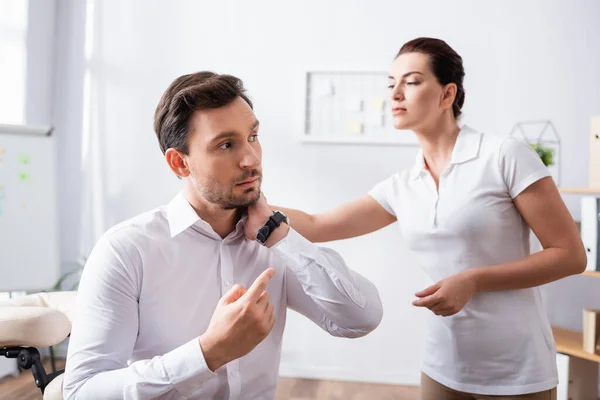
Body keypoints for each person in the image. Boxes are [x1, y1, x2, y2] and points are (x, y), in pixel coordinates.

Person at [274, 38, 586, 399]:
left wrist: (473, 280)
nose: (395, 95)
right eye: (391, 84)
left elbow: (570, 254)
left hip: (518, 368)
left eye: (412, 81)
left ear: (447, 94)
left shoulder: (504, 156)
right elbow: (316, 225)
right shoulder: (402, 186)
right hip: (444, 366)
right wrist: (247, 203)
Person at [62, 72, 383, 400]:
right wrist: (208, 352)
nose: (251, 159)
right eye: (226, 144)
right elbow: (82, 391)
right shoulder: (126, 251)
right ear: (179, 162)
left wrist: (279, 235)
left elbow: (361, 318)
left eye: (253, 137)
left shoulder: (275, 241)